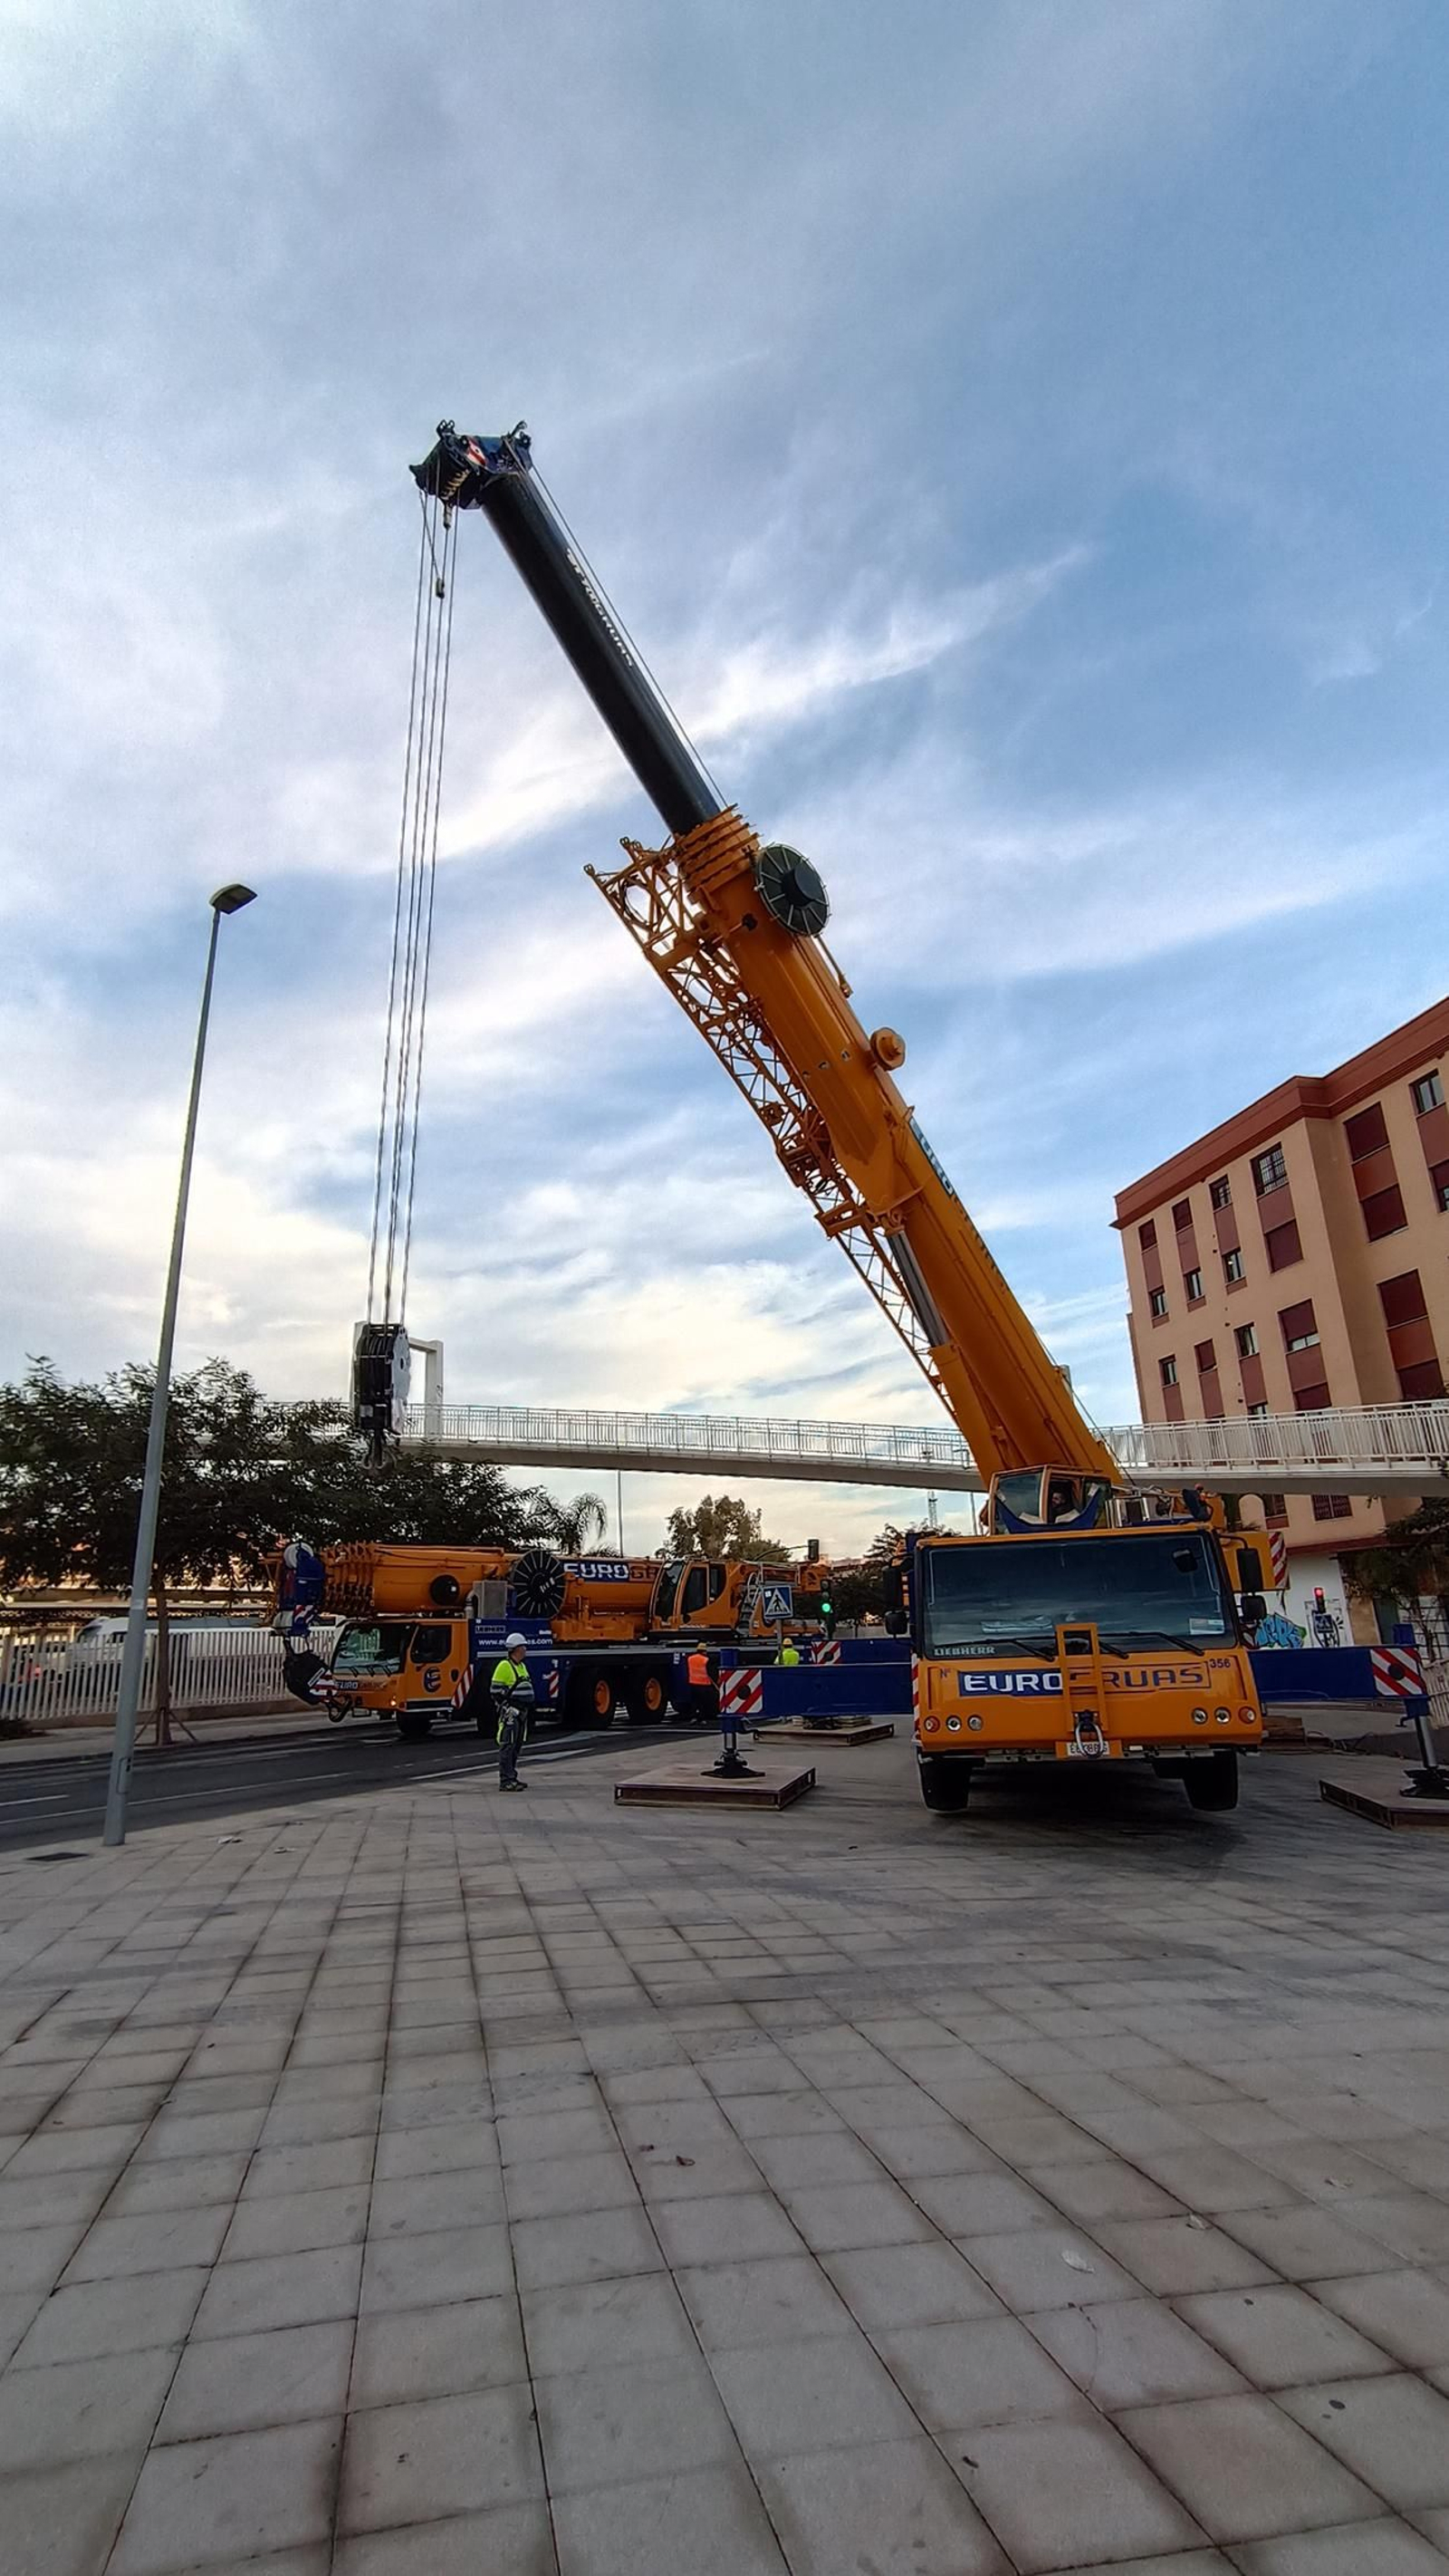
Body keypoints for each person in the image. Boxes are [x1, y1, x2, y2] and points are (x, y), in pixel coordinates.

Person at [492, 1633, 534, 1790]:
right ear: (515, 1649)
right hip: (511, 1713)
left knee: (516, 1746)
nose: (525, 1650)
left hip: (522, 1712)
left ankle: (512, 1777)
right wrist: (507, 1708)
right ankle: (506, 1781)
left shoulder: (521, 1666)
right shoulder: (504, 1666)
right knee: (507, 1745)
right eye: (523, 1647)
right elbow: (495, 1692)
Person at [683, 1647, 716, 1725]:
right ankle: (702, 1718)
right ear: (704, 1651)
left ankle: (693, 1717)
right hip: (704, 1684)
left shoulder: (690, 1659)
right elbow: (710, 1672)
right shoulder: (706, 1660)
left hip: (693, 1683)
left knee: (694, 1702)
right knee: (703, 1703)